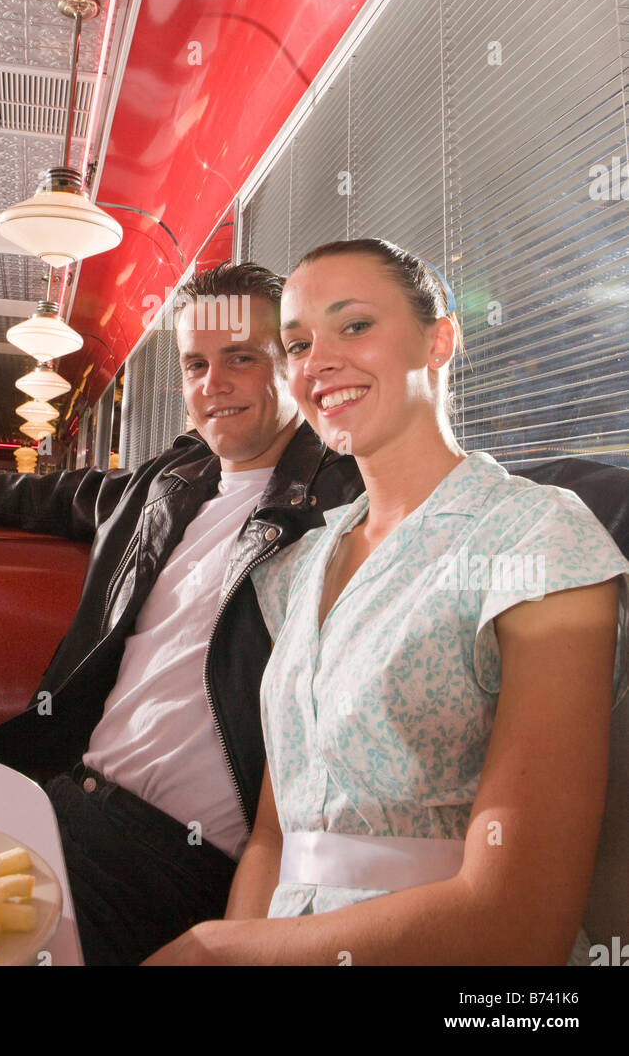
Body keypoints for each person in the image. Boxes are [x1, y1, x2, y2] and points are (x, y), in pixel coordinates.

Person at [0, 262, 364, 965]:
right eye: (196, 364)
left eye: (242, 358)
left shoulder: (340, 504)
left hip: (168, 864)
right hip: (60, 793)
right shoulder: (172, 483)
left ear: (293, 360)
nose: (213, 385)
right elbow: (62, 495)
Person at [144, 240, 629, 966]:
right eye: (299, 343)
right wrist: (242, 946)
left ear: (440, 341)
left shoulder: (539, 536)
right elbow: (279, 837)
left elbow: (520, 924)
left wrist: (224, 953)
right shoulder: (300, 563)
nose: (318, 362)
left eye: (355, 326)